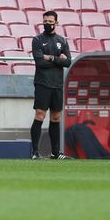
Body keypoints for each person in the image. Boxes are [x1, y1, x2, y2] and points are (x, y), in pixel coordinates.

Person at [31, 10, 73, 160]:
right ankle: (35, 152)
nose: (47, 24)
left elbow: (68, 62)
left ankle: (55, 153)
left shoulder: (62, 40)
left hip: (57, 84)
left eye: (50, 22)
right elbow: (40, 62)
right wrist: (58, 60)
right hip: (43, 83)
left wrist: (51, 58)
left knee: (56, 117)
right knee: (40, 115)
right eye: (45, 22)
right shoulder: (37, 39)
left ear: (56, 23)